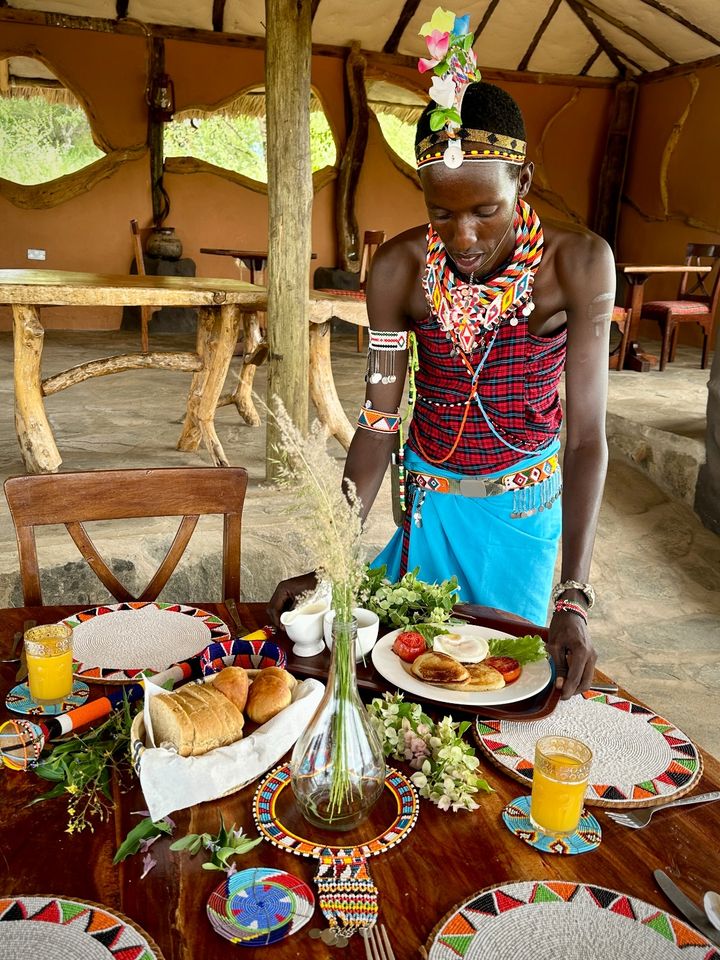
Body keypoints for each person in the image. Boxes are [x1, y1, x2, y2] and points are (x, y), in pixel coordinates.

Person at [269, 16, 614, 699]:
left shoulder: (578, 266)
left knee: (499, 683)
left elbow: (587, 439)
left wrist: (572, 596)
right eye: (441, 214)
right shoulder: (400, 270)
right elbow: (376, 421)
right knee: (412, 673)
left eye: (486, 210)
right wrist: (333, 558)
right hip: (427, 508)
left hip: (523, 516)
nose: (463, 236)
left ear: (524, 178)